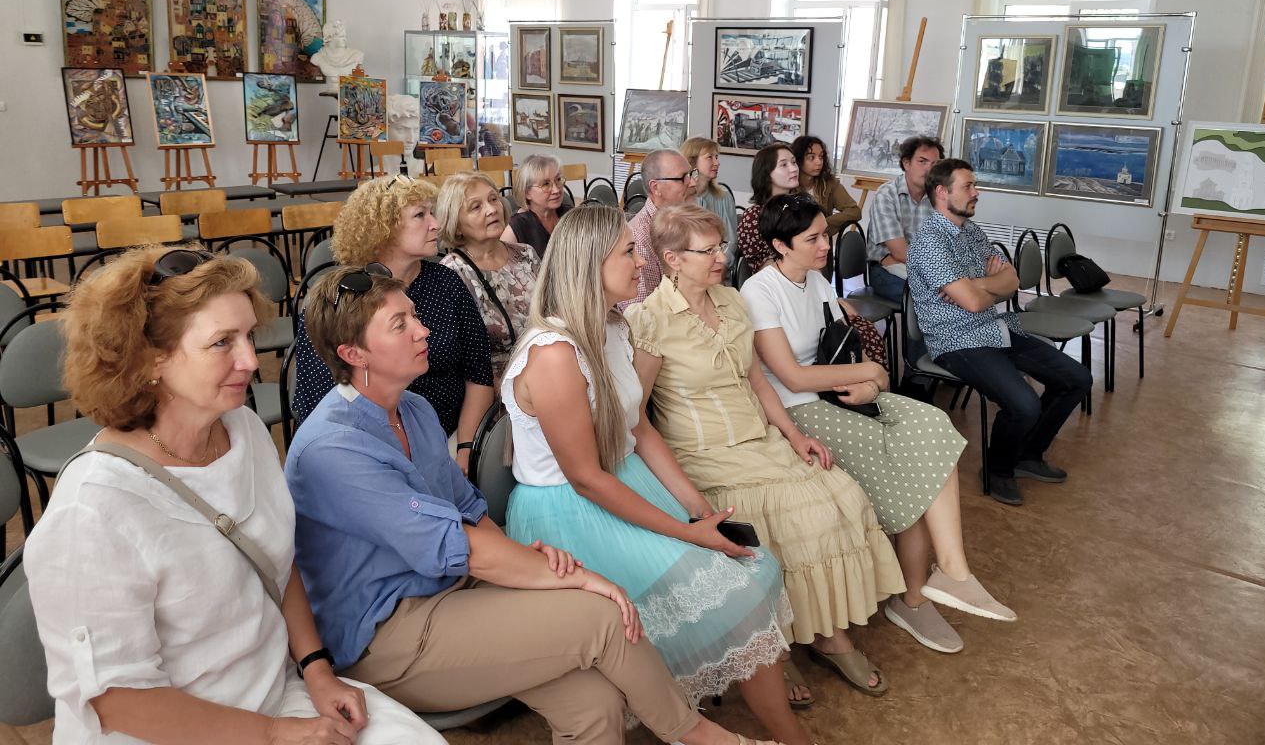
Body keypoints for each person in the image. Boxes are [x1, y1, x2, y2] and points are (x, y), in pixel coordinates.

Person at [286, 267, 774, 745]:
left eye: (414, 314)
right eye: (400, 324)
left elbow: (469, 509)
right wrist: (571, 577)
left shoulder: (413, 408)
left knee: (594, 702)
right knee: (601, 613)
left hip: (448, 589)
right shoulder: (333, 448)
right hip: (385, 633)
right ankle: (702, 736)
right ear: (353, 354)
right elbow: (454, 544)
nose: (423, 329)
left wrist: (528, 562)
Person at [25, 246, 437, 745]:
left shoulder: (242, 429)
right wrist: (274, 733)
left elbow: (277, 561)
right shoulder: (92, 509)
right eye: (222, 342)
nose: (250, 360)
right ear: (150, 359)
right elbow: (117, 700)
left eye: (249, 336)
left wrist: (317, 670)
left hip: (275, 693)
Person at [501, 205, 816, 745]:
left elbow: (639, 427)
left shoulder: (612, 325)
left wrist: (696, 506)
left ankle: (783, 731)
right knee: (732, 589)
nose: (642, 260)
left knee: (746, 570)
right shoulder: (554, 353)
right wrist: (688, 532)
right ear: (590, 264)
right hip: (572, 510)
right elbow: (585, 478)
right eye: (628, 251)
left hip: (622, 480)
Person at [630, 203, 905, 705]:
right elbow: (638, 417)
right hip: (706, 451)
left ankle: (824, 633)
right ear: (672, 259)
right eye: (708, 250)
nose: (722, 257)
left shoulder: (731, 300)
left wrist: (795, 437)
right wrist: (684, 493)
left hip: (758, 437)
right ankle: (775, 644)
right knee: (791, 518)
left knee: (839, 493)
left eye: (721, 246)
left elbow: (757, 380)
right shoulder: (650, 321)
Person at [745, 196, 1017, 655]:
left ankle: (952, 571)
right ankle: (914, 598)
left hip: (839, 391)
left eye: (825, 235)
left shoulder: (815, 279)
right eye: (812, 239)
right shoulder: (759, 292)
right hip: (799, 407)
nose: (825, 246)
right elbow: (791, 376)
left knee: (932, 423)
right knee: (915, 464)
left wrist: (872, 382)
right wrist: (870, 373)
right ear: (779, 245)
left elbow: (842, 345)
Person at [907, 159, 1093, 508]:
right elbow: (975, 302)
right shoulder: (930, 242)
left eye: (975, 185)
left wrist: (975, 285)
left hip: (995, 328)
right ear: (942, 192)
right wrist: (985, 287)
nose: (976, 192)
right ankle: (997, 471)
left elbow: (1012, 281)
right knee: (1024, 404)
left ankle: (1027, 454)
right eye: (968, 186)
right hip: (955, 340)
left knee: (1076, 379)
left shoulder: (971, 231)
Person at [292, 175, 493, 455]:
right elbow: (319, 403)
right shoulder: (342, 300)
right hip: (366, 449)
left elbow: (479, 374)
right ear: (383, 230)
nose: (435, 224)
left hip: (452, 436)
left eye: (432, 213)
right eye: (420, 215)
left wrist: (465, 449)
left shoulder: (446, 282)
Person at [436, 170, 540, 387]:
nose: (492, 209)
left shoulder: (525, 254)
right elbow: (461, 360)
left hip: (546, 370)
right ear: (456, 224)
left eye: (493, 199)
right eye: (476, 207)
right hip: (496, 390)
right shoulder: (451, 273)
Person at [865, 136, 945, 305]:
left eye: (935, 164)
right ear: (906, 163)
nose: (929, 169)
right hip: (884, 269)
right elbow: (901, 253)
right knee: (936, 299)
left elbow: (946, 245)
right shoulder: (886, 194)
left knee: (957, 294)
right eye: (922, 161)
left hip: (924, 269)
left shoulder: (940, 197)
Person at [619, 148, 695, 310]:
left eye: (690, 174)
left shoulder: (684, 220)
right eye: (682, 178)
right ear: (656, 188)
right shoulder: (639, 239)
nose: (692, 182)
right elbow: (640, 313)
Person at [737, 144, 799, 275]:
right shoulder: (753, 217)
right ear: (767, 173)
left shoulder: (801, 208)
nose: (794, 169)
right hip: (774, 282)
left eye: (794, 162)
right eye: (784, 165)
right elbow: (766, 268)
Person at [682, 136, 737, 271]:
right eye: (710, 157)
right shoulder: (680, 198)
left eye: (716, 157)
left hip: (719, 269)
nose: (717, 163)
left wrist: (715, 263)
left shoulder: (724, 197)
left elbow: (731, 244)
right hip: (687, 270)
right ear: (692, 162)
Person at [792, 135, 860, 241]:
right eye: (811, 157)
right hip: (793, 244)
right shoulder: (787, 184)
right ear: (798, 160)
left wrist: (823, 224)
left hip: (822, 243)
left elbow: (855, 211)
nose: (819, 162)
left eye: (821, 157)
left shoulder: (829, 183)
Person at [500, 153, 567, 258]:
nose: (556, 190)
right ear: (527, 192)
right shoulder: (515, 229)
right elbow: (504, 267)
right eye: (546, 184)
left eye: (558, 180)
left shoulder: (570, 215)